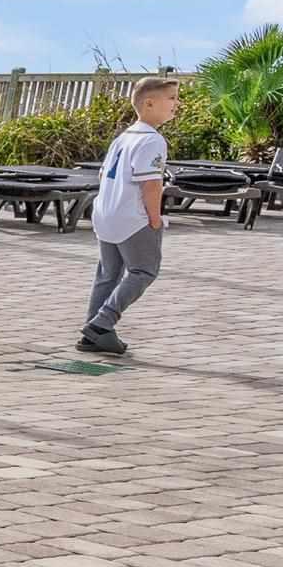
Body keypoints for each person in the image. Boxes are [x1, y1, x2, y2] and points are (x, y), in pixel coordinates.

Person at [81, 75, 179, 357]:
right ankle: (102, 323)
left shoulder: (123, 137)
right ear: (149, 103)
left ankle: (92, 334)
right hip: (132, 218)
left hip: (106, 214)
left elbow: (103, 175)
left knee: (108, 274)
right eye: (171, 98)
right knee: (144, 270)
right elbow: (151, 184)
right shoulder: (152, 140)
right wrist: (155, 219)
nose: (177, 104)